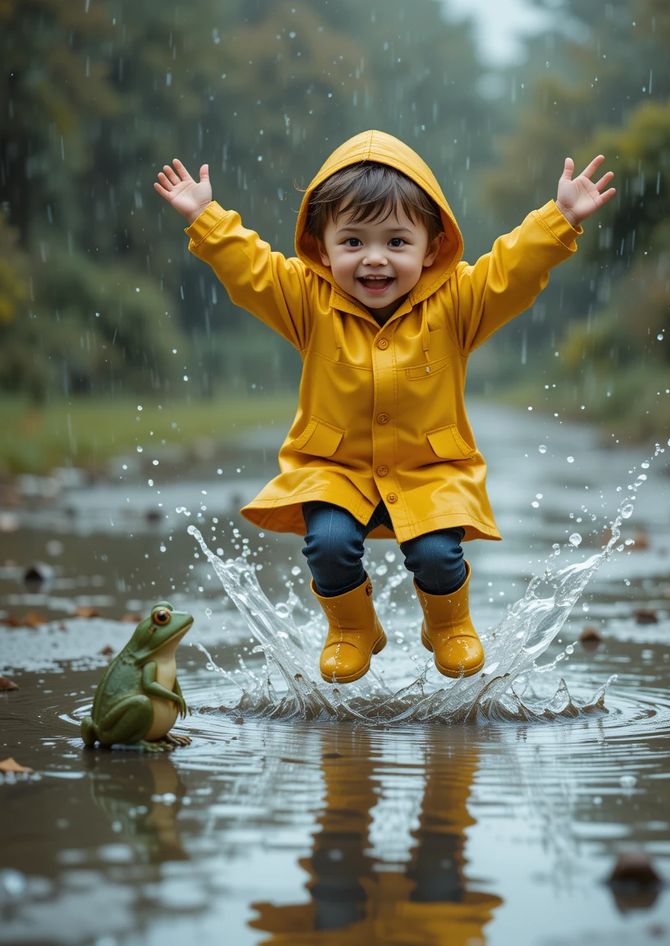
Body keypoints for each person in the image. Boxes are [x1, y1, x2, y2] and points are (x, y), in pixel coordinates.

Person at [154, 130, 614, 685]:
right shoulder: (308, 301)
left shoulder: (458, 304)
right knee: (327, 545)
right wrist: (207, 220)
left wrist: (558, 219)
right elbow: (251, 270)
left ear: (432, 246)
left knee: (439, 556)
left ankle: (448, 625)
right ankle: (352, 628)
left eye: (397, 242)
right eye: (353, 242)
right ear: (323, 248)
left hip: (431, 470)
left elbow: (508, 273)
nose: (374, 259)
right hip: (334, 468)